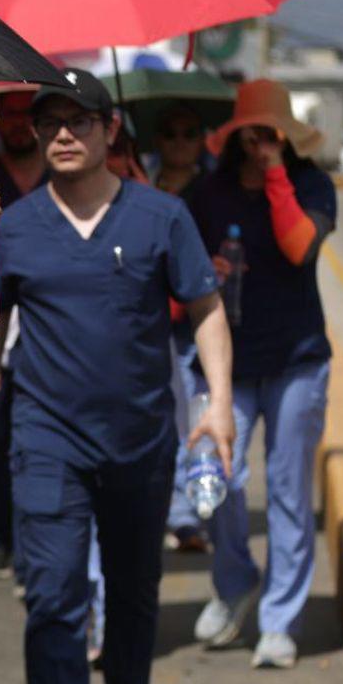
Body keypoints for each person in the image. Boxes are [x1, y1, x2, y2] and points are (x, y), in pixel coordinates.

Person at [0, 69, 234, 684]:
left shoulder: (159, 217)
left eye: (80, 120)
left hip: (142, 443)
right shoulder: (12, 227)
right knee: (54, 596)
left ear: (112, 131)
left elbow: (205, 308)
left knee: (135, 594)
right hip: (46, 440)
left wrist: (221, 406)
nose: (63, 133)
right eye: (50, 122)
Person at [189, 80, 335, 670]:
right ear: (233, 137)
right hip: (231, 362)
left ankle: (280, 619)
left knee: (287, 488)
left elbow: (300, 247)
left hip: (298, 358)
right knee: (216, 477)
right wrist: (208, 269)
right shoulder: (207, 194)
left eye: (271, 134)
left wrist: (277, 174)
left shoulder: (311, 184)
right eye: (252, 133)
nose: (259, 143)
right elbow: (182, 273)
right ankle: (235, 581)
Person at [0, 91, 45, 582]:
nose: (18, 125)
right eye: (10, 115)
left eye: (27, 116)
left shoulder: (63, 176)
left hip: (43, 326)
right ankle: (1, 535)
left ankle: (35, 539)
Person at [153, 104, 213, 553]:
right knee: (160, 426)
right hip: (151, 328)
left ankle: (186, 515)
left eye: (189, 132)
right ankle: (166, 510)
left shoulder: (214, 191)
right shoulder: (137, 187)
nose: (179, 141)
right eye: (170, 132)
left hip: (194, 329)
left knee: (194, 422)